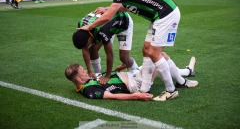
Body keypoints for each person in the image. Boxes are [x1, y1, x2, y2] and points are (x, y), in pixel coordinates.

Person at [80, 0, 184, 101]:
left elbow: (107, 17)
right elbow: (124, 7)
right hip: (160, 15)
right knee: (146, 49)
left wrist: (89, 27)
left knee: (154, 53)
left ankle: (171, 90)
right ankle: (147, 87)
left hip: (165, 15)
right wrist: (109, 8)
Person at [65, 54, 198, 100]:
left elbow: (106, 81)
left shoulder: (88, 80)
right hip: (133, 84)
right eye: (82, 71)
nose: (86, 71)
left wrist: (117, 71)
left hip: (130, 76)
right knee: (158, 57)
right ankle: (182, 81)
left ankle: (186, 73)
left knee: (161, 56)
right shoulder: (89, 90)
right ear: (77, 79)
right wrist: (136, 96)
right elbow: (113, 96)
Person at [72, 11, 138, 84]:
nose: (85, 48)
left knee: (124, 58)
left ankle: (136, 70)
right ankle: (98, 73)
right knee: (92, 49)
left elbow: (109, 54)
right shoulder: (81, 28)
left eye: (86, 45)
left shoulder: (102, 31)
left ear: (89, 39)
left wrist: (107, 76)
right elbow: (85, 49)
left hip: (123, 23)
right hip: (107, 25)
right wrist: (89, 71)